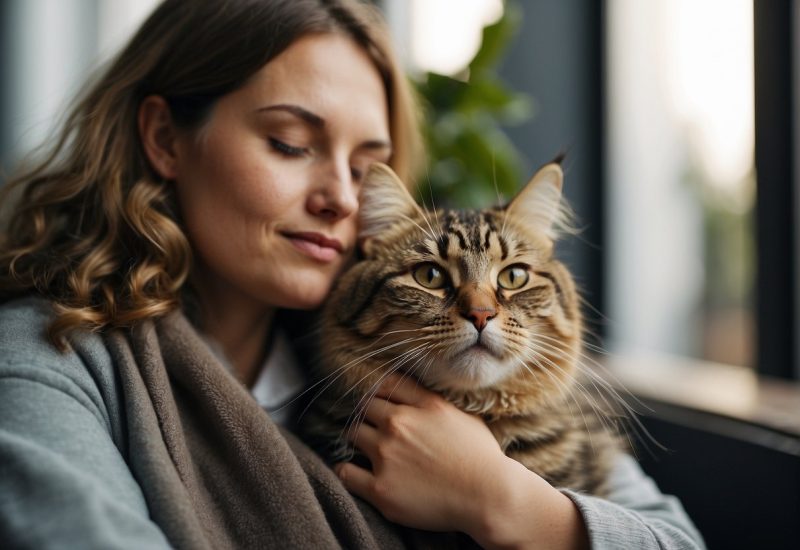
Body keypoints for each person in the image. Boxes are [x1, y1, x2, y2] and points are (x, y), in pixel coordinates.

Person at [0, 0, 705, 548]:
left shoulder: (385, 341)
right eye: (291, 144)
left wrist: (502, 500)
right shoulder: (48, 355)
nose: (341, 197)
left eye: (368, 168)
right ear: (163, 139)